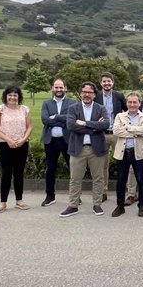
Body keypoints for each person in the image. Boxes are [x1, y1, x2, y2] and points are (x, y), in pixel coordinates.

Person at [60, 81, 110, 217]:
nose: (87, 94)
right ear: (80, 93)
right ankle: (73, 205)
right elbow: (71, 125)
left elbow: (105, 124)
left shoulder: (101, 108)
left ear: (94, 94)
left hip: (96, 149)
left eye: (90, 92)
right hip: (78, 149)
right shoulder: (73, 108)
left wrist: (85, 123)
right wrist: (94, 127)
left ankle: (97, 204)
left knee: (98, 178)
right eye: (84, 92)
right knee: (75, 178)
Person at [0, 86, 32, 213]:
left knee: (19, 173)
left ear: (19, 97)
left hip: (21, 145)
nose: (12, 97)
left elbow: (29, 126)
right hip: (4, 144)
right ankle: (3, 202)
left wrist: (24, 139)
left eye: (15, 95)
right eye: (10, 95)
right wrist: (8, 139)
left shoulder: (24, 109)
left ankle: (19, 200)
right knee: (6, 173)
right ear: (6, 96)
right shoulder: (0, 109)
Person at [111, 92, 143, 217]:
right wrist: (135, 131)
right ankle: (120, 206)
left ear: (139, 103)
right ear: (126, 103)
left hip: (138, 152)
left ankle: (142, 206)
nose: (132, 104)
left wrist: (127, 127)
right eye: (130, 102)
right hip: (123, 153)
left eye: (135, 102)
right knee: (121, 180)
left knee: (141, 180)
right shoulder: (120, 116)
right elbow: (116, 131)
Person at [40, 78, 77, 206]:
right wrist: (63, 122)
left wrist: (55, 117)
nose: (59, 90)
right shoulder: (46, 103)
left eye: (61, 87)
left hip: (67, 140)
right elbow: (45, 120)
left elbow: (72, 119)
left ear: (65, 88)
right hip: (50, 141)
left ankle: (76, 195)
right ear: (52, 88)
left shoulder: (73, 103)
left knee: (73, 168)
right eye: (56, 87)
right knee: (50, 169)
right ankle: (50, 196)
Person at [95, 72, 127, 202]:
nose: (107, 83)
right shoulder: (96, 96)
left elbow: (127, 110)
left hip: (116, 134)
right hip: (101, 134)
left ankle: (123, 191)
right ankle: (103, 191)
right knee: (102, 165)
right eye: (104, 81)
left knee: (122, 163)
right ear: (101, 83)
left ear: (112, 82)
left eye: (109, 81)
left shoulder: (119, 96)